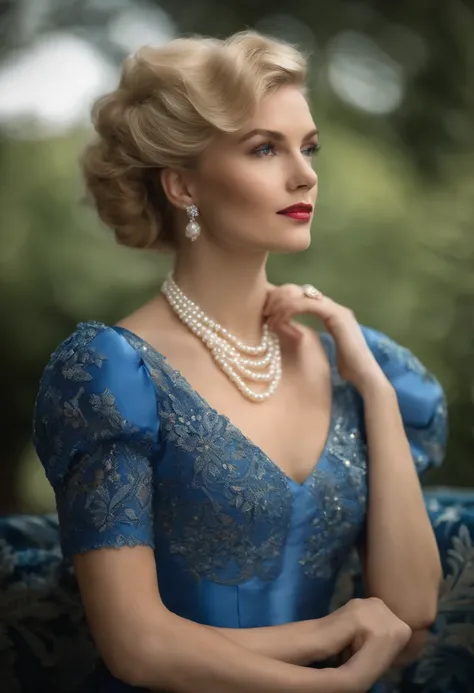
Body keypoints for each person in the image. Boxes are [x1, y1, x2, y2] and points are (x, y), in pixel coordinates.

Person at [33, 30, 447, 693]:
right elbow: (137, 644)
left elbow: (412, 611)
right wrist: (325, 664)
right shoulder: (110, 371)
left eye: (309, 148)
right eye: (264, 148)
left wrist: (371, 384)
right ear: (182, 185)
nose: (305, 173)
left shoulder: (357, 363)